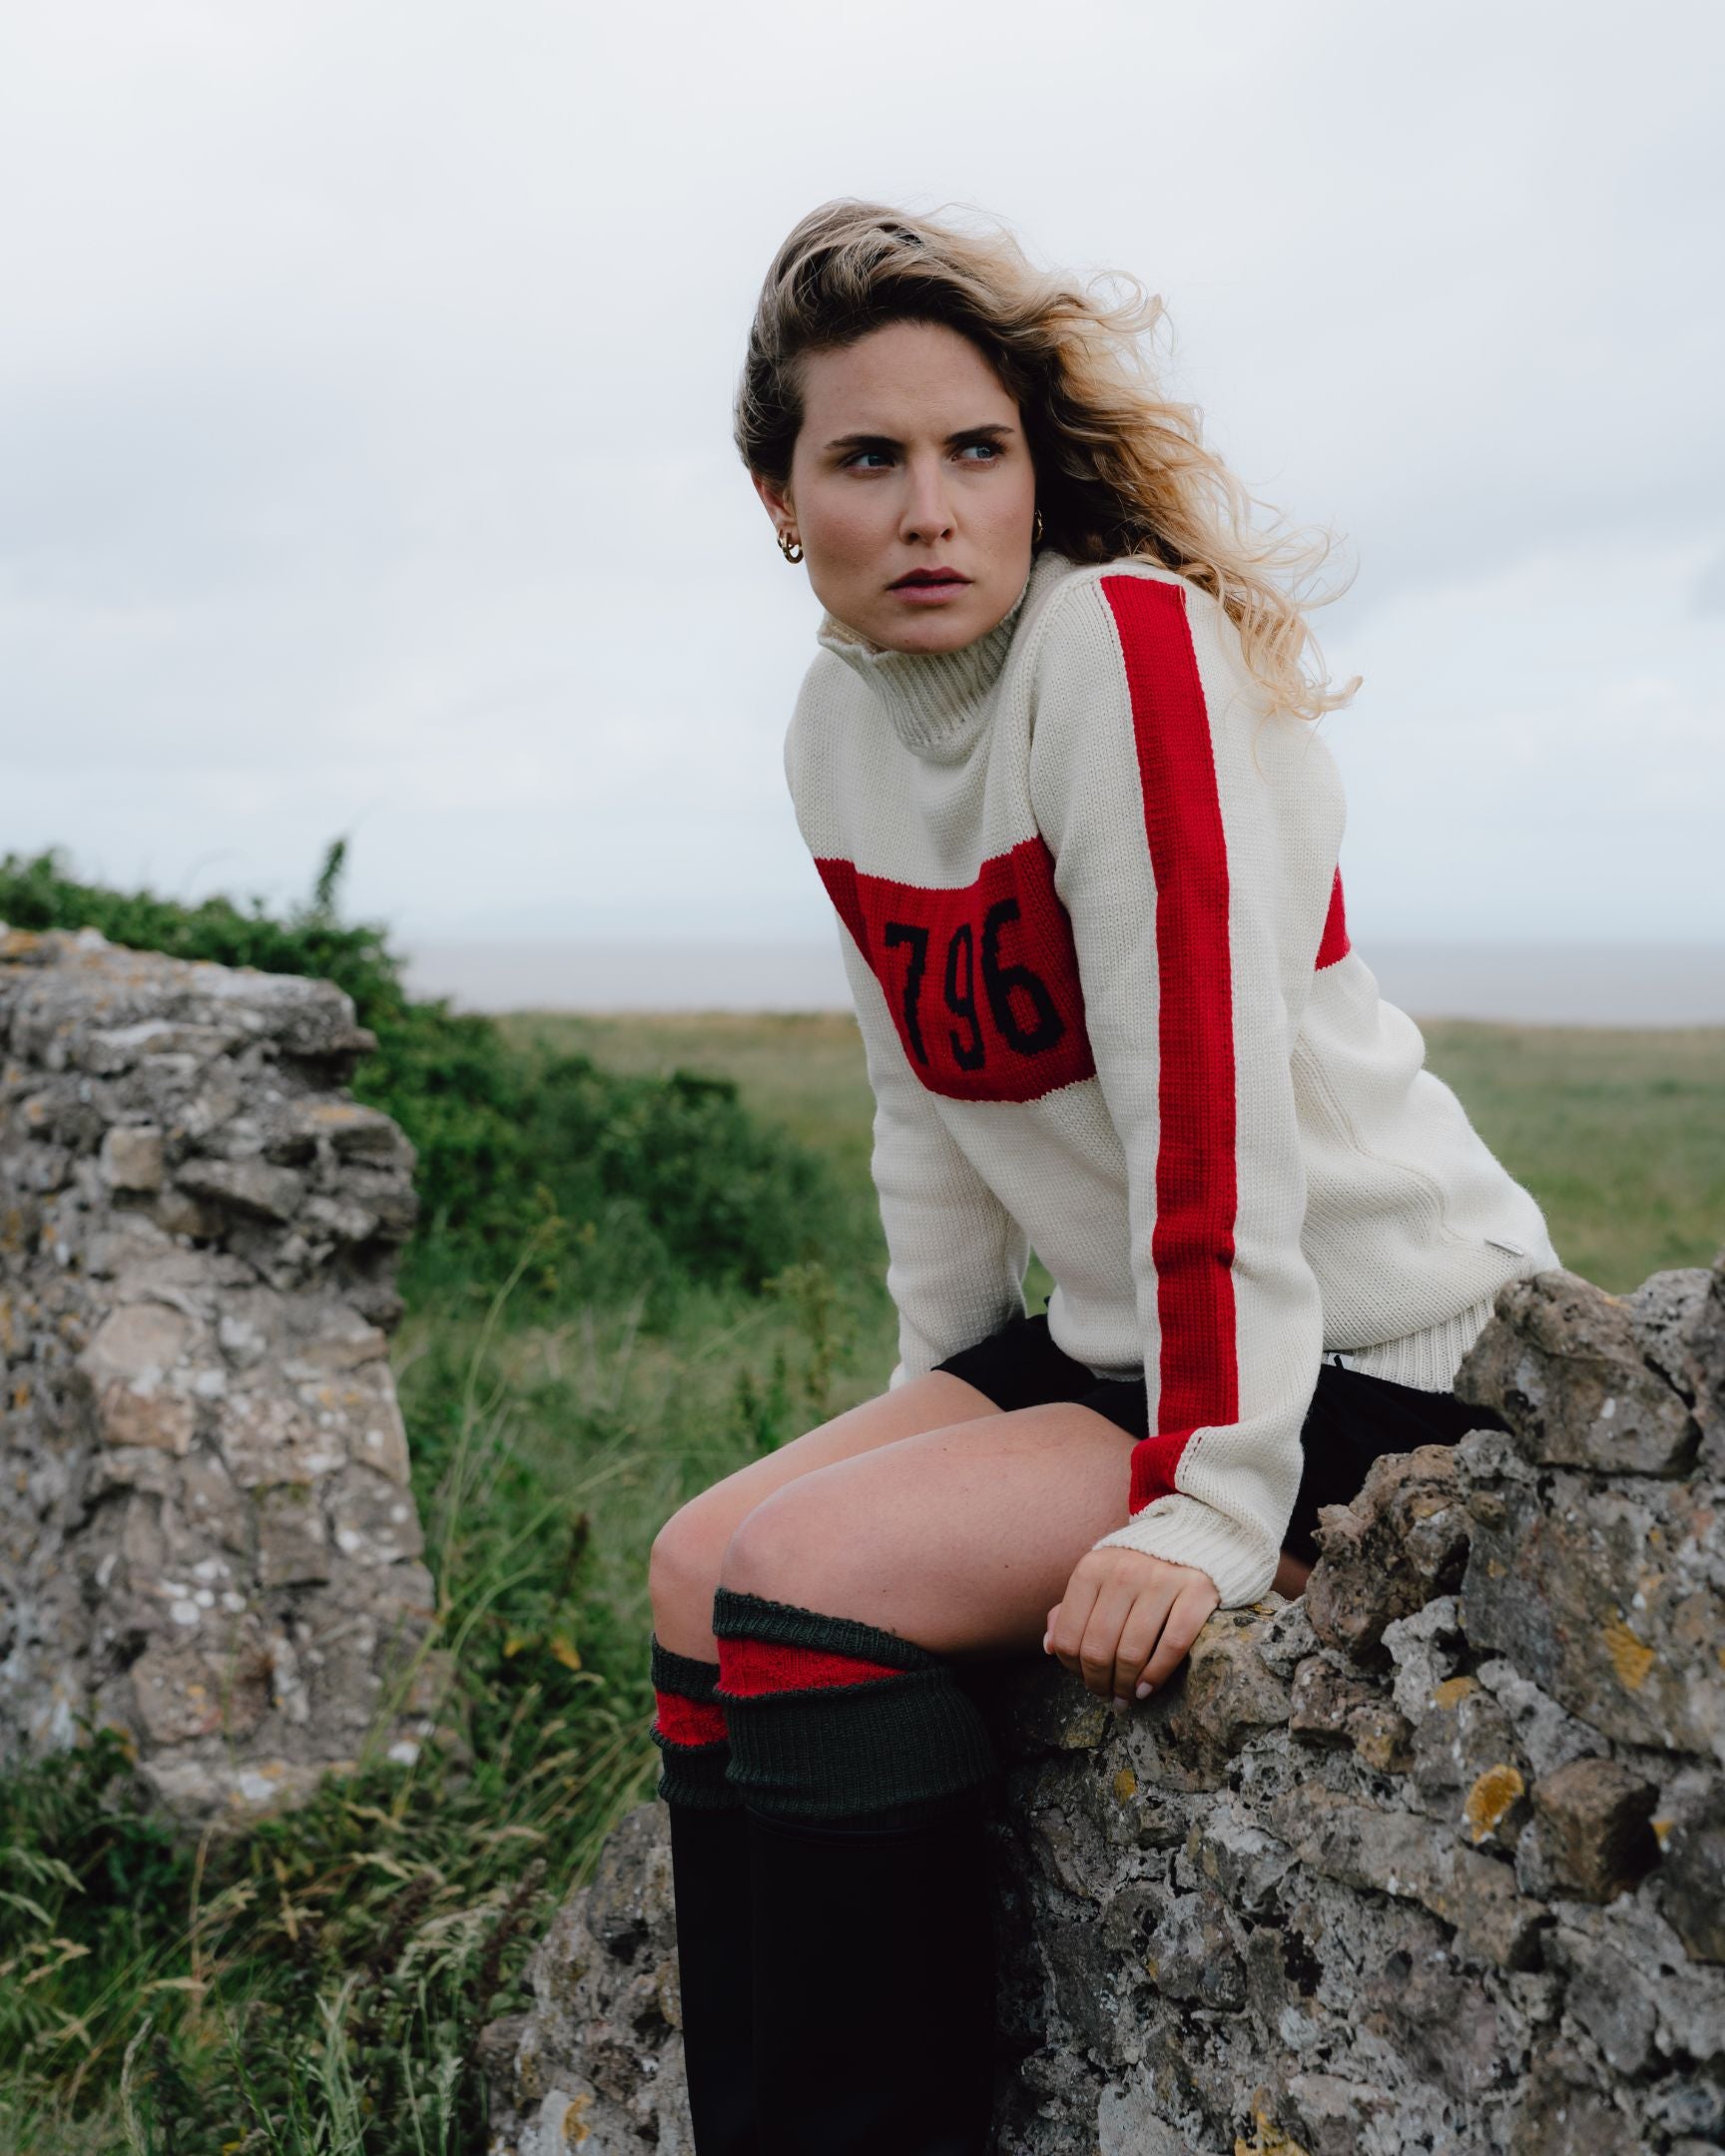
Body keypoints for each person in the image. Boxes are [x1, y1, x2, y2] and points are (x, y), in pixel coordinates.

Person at [646, 198, 1558, 2156]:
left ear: (1031, 468)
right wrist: (934, 1392)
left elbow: (1202, 1098)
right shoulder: (839, 725)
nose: (928, 508)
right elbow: (929, 1095)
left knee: (812, 1588)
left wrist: (1213, 1509)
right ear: (778, 495)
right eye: (866, 458)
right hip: (1113, 1336)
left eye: (974, 452)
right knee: (697, 1566)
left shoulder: (1118, 648)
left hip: (1366, 1347)